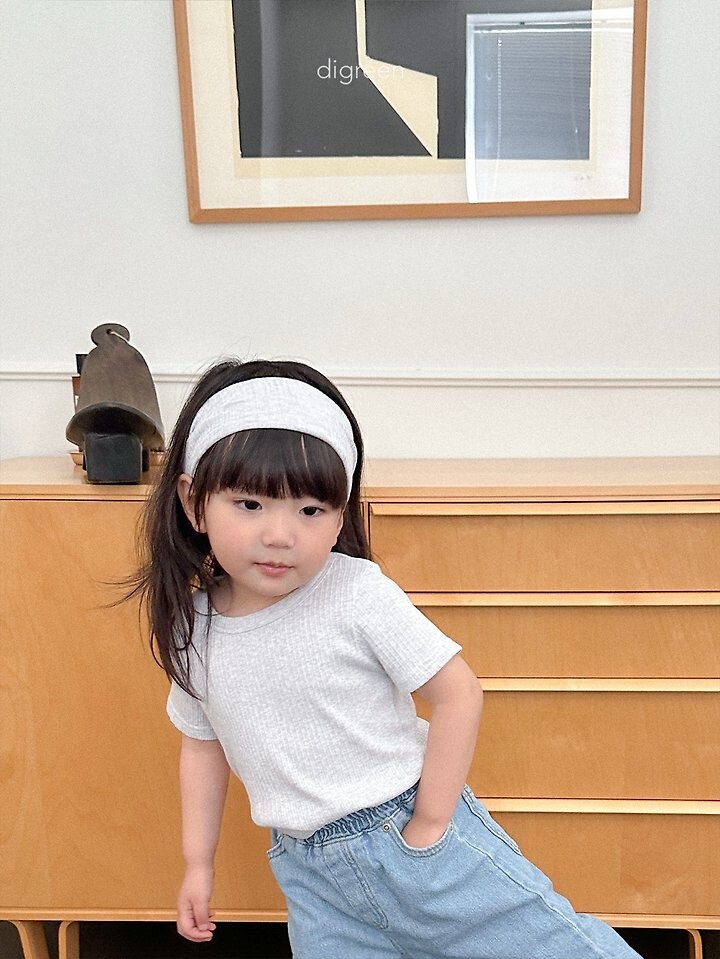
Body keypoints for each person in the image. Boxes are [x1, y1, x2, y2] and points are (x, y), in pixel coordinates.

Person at [133, 358, 641, 959]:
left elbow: (458, 692)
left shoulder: (355, 591)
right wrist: (198, 864)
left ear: (339, 517)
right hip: (308, 871)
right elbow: (203, 745)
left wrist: (430, 824)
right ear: (194, 502)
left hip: (406, 835)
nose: (279, 535)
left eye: (310, 510)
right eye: (249, 504)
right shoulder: (193, 627)